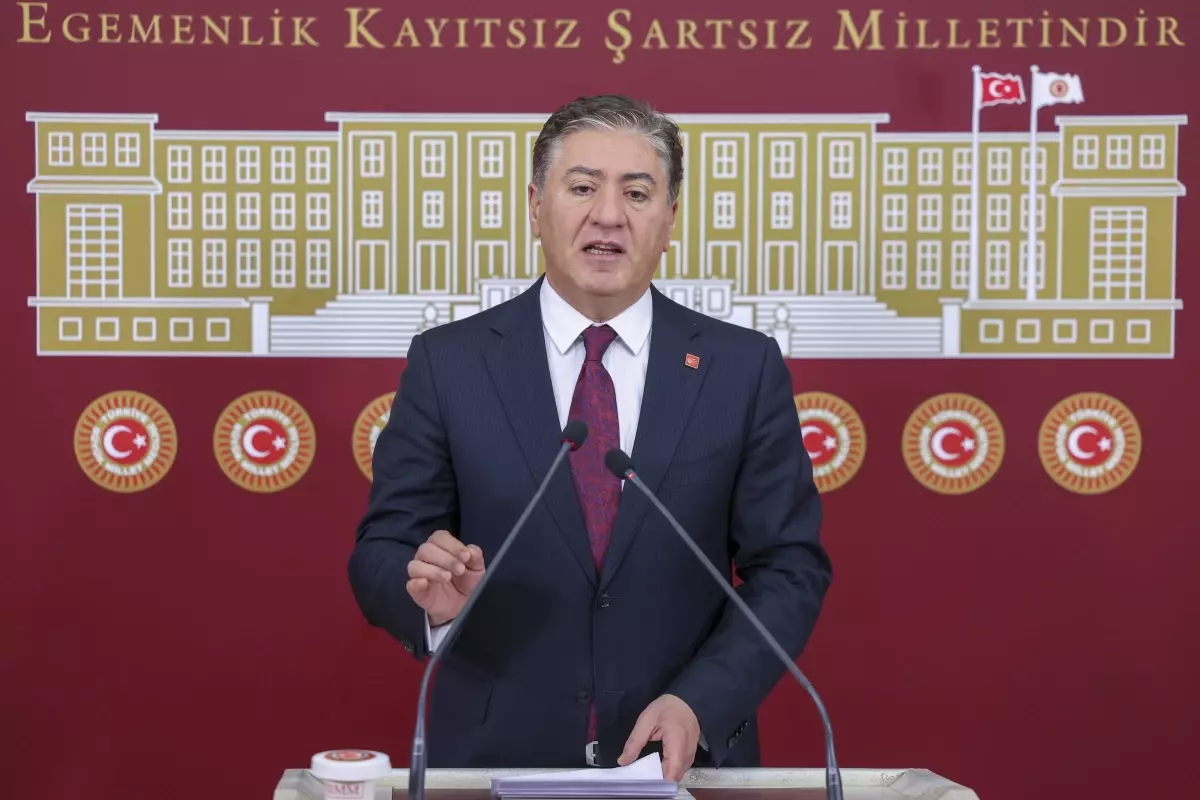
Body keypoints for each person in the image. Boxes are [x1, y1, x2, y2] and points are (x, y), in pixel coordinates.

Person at [349, 94, 832, 781]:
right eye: (582, 188)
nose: (608, 215)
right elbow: (383, 550)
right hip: (493, 764)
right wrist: (431, 602)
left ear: (670, 218)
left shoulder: (741, 368)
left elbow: (788, 569)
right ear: (535, 205)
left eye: (637, 193)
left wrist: (701, 701)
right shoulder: (450, 363)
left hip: (679, 766)